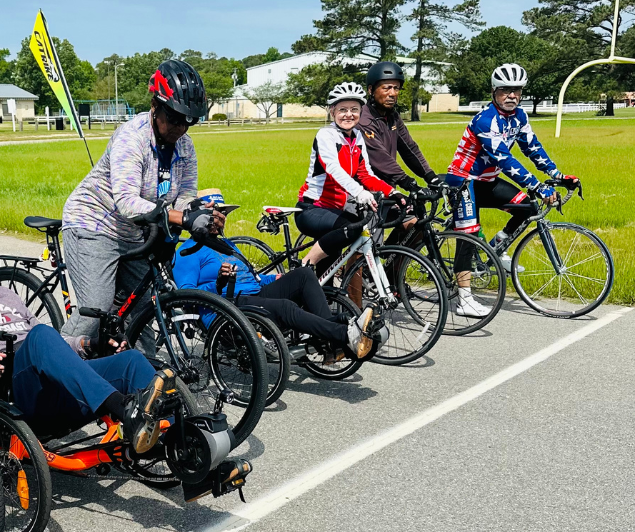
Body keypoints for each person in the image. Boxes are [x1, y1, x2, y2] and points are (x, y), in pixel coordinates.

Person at [0, 227, 177, 453]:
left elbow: (54, 347)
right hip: (9, 394)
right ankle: (124, 409)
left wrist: (89, 345)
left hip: (51, 387)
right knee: (40, 337)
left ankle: (182, 445)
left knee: (129, 360)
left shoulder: (3, 294)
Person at [60, 59, 224, 341]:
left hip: (135, 234)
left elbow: (184, 194)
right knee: (96, 309)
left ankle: (141, 381)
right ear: (155, 106)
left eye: (190, 120)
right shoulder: (131, 138)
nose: (181, 128)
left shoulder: (184, 146)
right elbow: (126, 201)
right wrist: (181, 217)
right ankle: (53, 366)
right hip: (93, 225)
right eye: (174, 118)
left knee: (146, 312)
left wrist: (200, 214)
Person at [172, 188, 377, 360]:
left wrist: (279, 278)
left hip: (255, 293)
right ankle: (343, 333)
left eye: (223, 214)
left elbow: (255, 278)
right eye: (216, 214)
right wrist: (218, 281)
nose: (221, 219)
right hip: (230, 305)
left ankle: (330, 339)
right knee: (285, 307)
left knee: (304, 275)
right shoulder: (188, 252)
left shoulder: (225, 243)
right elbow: (186, 296)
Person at [446, 63, 579, 311]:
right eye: (506, 90)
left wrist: (557, 174)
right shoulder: (486, 120)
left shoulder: (519, 117)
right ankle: (464, 300)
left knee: (527, 207)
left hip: (487, 180)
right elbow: (504, 160)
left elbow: (532, 148)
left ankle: (496, 249)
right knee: (468, 235)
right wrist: (539, 186)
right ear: (495, 92)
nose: (512, 96)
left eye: (517, 90)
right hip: (463, 180)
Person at [296, 81, 396, 270]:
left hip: (335, 211)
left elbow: (366, 174)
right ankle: (302, 268)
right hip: (312, 208)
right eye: (342, 109)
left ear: (360, 112)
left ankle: (323, 294)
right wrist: (360, 193)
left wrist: (393, 193)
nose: (348, 114)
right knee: (350, 228)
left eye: (354, 109)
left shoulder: (357, 137)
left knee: (328, 269)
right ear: (332, 112)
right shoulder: (326, 135)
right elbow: (333, 169)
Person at [358, 61, 445, 192]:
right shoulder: (363, 119)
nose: (392, 93)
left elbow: (409, 149)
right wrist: (409, 183)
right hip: (363, 192)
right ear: (371, 90)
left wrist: (431, 177)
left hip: (387, 190)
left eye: (396, 88)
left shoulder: (393, 116)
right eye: (386, 88)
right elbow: (380, 158)